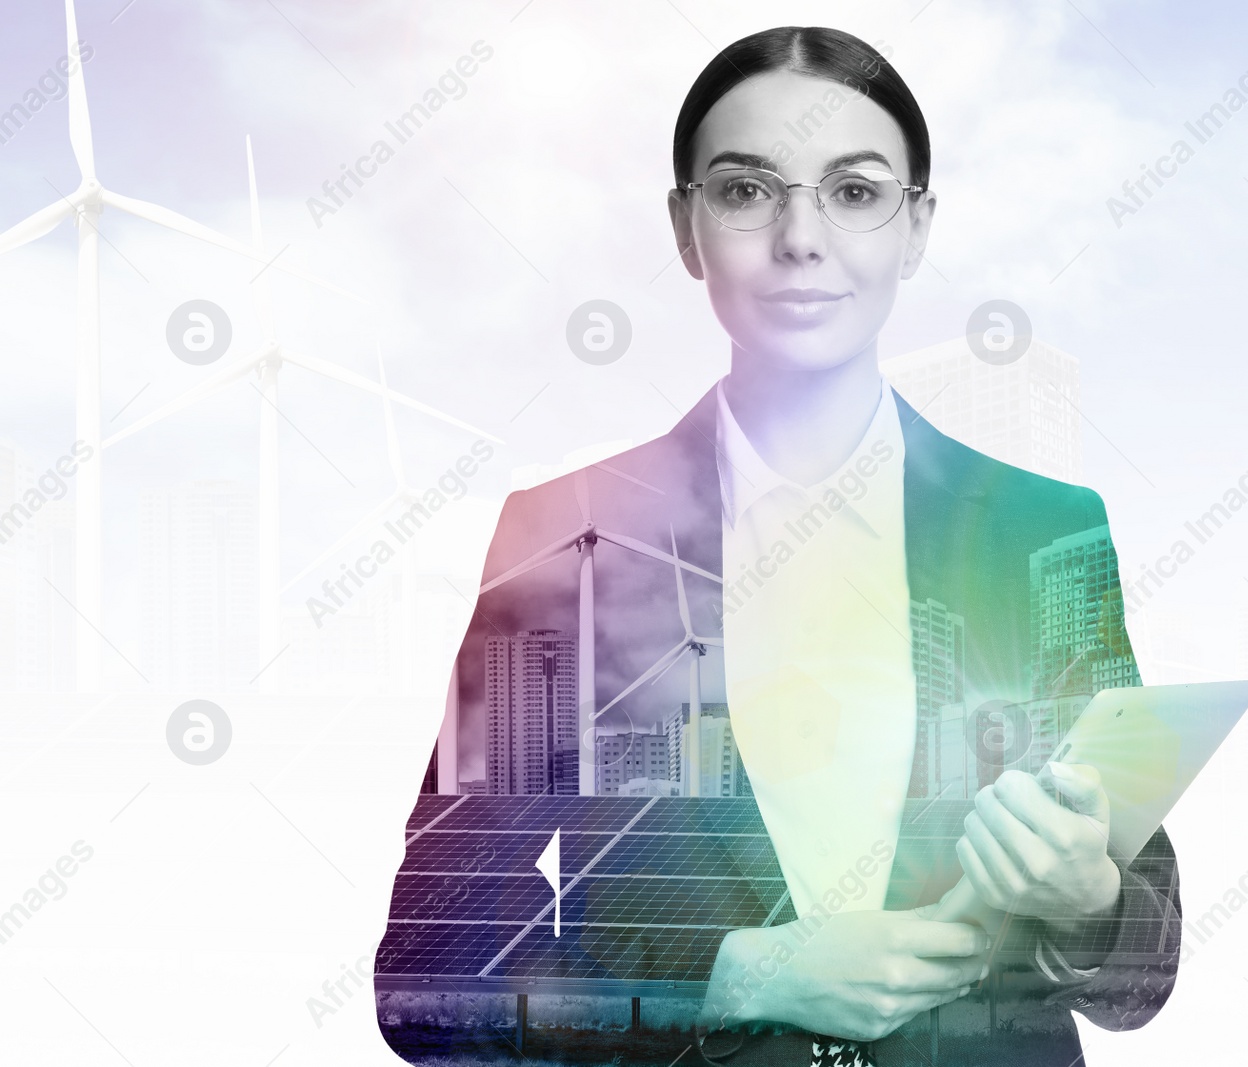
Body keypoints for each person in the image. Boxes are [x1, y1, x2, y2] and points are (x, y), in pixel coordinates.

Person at [378, 26, 1179, 1067]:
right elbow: (431, 972)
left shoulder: (1045, 529)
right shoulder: (561, 542)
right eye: (747, 190)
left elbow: (1141, 976)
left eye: (854, 192)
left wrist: (1093, 897)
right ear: (686, 227)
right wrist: (730, 977)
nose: (801, 237)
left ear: (917, 228)